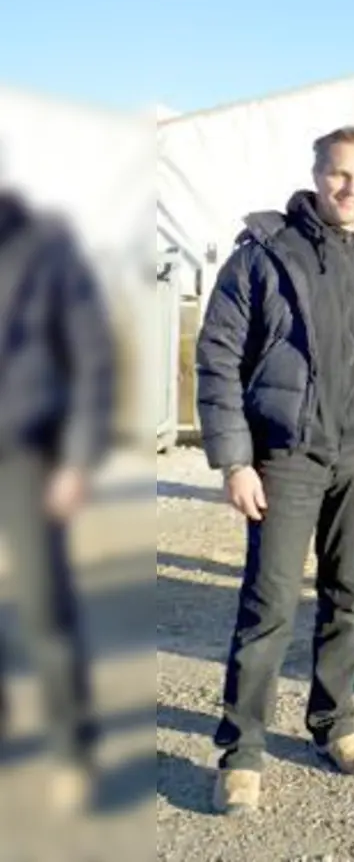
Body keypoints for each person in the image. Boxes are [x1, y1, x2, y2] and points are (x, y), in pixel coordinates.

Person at [195, 124, 354, 815]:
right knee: (267, 609)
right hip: (286, 461)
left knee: (348, 604)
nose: (350, 188)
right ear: (315, 172)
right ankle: (242, 751)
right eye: (339, 174)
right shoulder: (265, 256)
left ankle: (335, 722)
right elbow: (217, 359)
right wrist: (235, 460)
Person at [0, 185, 117, 813]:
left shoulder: (45, 247)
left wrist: (76, 458)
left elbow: (91, 357)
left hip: (25, 450)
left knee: (45, 607)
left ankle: (73, 747)